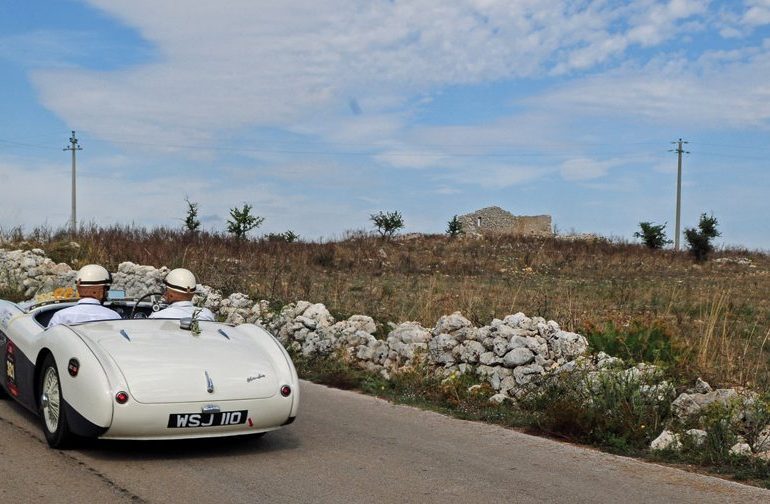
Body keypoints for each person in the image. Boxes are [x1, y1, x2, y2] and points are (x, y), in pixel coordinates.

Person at [47, 264, 121, 327]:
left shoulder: (60, 316)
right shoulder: (113, 317)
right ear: (102, 289)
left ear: (78, 287)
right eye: (107, 289)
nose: (107, 293)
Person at [149, 268, 215, 321]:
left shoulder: (156, 317)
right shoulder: (207, 315)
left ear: (171, 294)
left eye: (166, 290)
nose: (164, 293)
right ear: (193, 293)